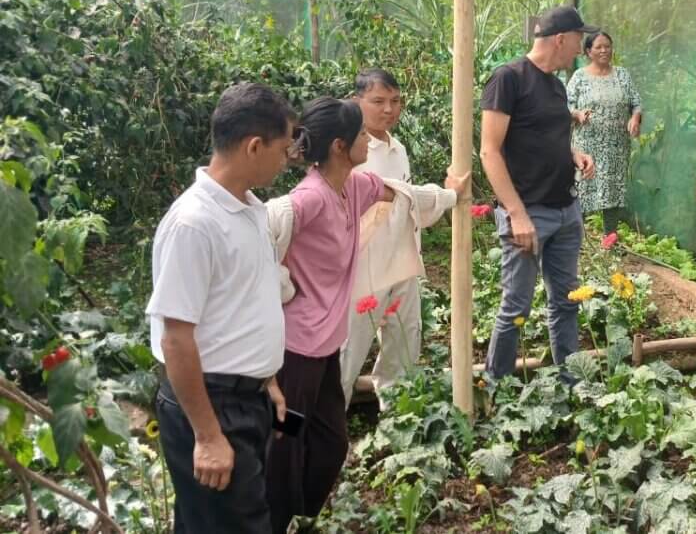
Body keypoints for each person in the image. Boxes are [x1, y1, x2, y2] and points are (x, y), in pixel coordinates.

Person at [264, 96, 464, 533]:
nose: (367, 143)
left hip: (323, 351)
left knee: (333, 444)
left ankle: (299, 513)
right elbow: (264, 231)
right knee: (287, 442)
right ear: (339, 146)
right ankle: (273, 522)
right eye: (359, 137)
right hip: (294, 356)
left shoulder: (355, 186)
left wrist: (451, 194)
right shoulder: (309, 199)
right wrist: (278, 284)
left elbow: (406, 194)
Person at [147, 82, 293, 533]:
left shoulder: (248, 208)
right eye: (284, 148)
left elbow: (245, 303)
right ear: (254, 146)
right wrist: (208, 436)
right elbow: (175, 337)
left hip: (241, 398)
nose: (288, 159)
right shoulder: (194, 225)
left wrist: (266, 379)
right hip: (212, 404)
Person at [480, 5, 597, 379]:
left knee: (566, 302)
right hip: (528, 213)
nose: (581, 48)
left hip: (565, 211)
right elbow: (490, 150)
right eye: (579, 40)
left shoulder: (556, 85)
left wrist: (574, 154)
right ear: (561, 39)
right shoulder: (508, 79)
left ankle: (570, 379)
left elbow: (547, 137)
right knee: (516, 306)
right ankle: (497, 387)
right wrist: (516, 214)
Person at [339, 68, 458, 406]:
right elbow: (400, 196)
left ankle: (396, 414)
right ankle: (327, 433)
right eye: (378, 101)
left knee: (403, 339)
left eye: (395, 101)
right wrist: (446, 195)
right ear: (355, 101)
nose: (389, 109)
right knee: (349, 349)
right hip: (364, 266)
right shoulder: (350, 151)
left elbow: (406, 207)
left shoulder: (397, 148)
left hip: (403, 259)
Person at [566, 31, 643, 236]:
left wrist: (635, 118)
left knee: (613, 190)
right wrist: (578, 114)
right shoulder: (579, 77)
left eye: (607, 46)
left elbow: (636, 103)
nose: (604, 50)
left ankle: (610, 239)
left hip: (616, 146)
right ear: (588, 51)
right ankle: (576, 241)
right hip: (587, 146)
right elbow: (566, 105)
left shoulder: (622, 75)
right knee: (583, 189)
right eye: (598, 47)